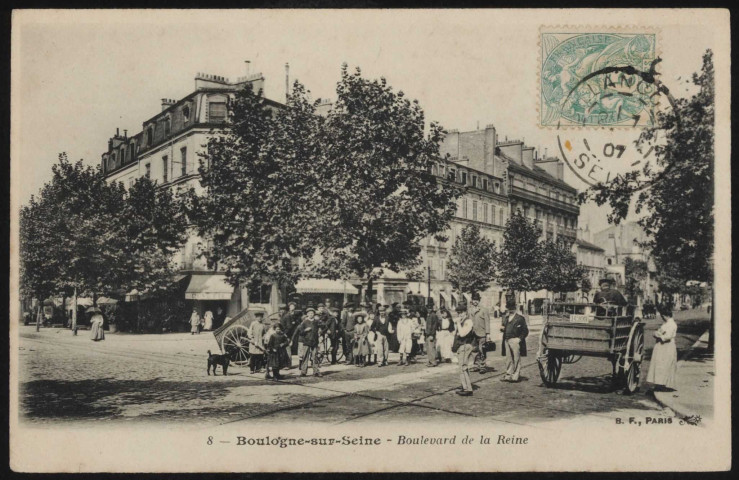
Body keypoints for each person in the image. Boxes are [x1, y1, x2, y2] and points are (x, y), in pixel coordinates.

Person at [647, 303, 678, 391]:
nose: (662, 318)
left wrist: (659, 336)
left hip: (666, 347)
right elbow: (659, 331)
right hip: (662, 346)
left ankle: (663, 384)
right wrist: (656, 333)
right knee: (660, 364)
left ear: (665, 315)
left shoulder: (672, 324)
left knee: (664, 365)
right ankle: (659, 384)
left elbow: (667, 336)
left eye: (663, 316)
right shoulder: (667, 323)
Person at [500, 296, 529, 382]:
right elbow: (503, 327)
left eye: (512, 308)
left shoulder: (520, 318)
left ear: (515, 308)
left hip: (515, 340)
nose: (511, 310)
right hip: (506, 340)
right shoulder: (505, 318)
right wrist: (502, 328)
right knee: (508, 359)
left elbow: (525, 331)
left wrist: (519, 339)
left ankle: (515, 376)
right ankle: (508, 375)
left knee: (516, 358)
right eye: (509, 308)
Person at [291, 307, 322, 377]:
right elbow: (301, 333)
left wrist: (320, 332)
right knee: (305, 357)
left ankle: (316, 371)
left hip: (315, 342)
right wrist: (305, 330)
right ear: (307, 314)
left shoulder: (316, 322)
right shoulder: (304, 322)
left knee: (315, 357)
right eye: (309, 313)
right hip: (306, 342)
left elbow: (324, 327)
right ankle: (303, 371)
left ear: (314, 314)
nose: (311, 314)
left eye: (312, 313)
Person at [467, 292, 492, 373]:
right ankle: (476, 365)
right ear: (472, 300)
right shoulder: (469, 310)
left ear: (479, 300)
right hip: (472, 333)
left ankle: (482, 366)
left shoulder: (484, 310)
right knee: (474, 350)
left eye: (477, 300)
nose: (475, 301)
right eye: (474, 300)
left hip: (482, 333)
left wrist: (488, 334)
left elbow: (487, 322)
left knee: (482, 350)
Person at [454, 309, 476, 396]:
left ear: (465, 312)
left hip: (465, 345)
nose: (460, 314)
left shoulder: (468, 321)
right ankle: (465, 386)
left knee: (463, 367)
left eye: (462, 312)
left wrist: (458, 324)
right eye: (459, 312)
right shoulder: (463, 321)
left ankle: (467, 388)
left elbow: (462, 334)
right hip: (462, 346)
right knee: (462, 367)